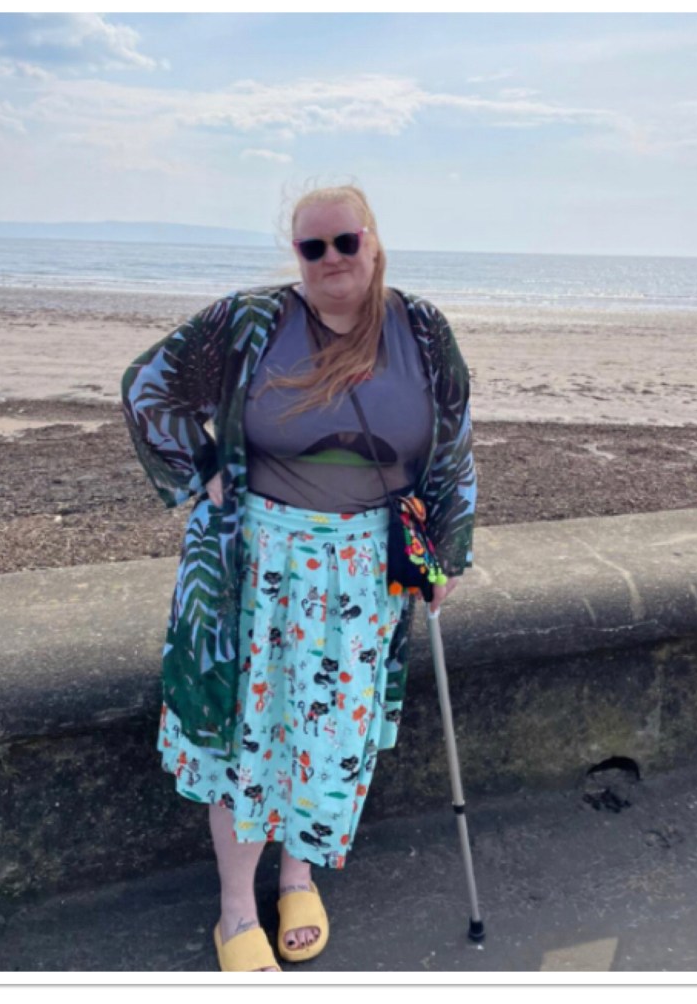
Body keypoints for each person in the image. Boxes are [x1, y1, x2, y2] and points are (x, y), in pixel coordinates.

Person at [122, 184, 476, 971]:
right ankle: (235, 910)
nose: (330, 259)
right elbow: (149, 386)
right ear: (297, 255)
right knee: (245, 739)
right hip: (254, 566)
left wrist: (447, 551)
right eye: (312, 247)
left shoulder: (421, 329)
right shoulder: (250, 320)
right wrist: (203, 469)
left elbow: (454, 441)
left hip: (365, 570)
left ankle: (298, 878)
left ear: (373, 241)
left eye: (345, 241)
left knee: (326, 736)